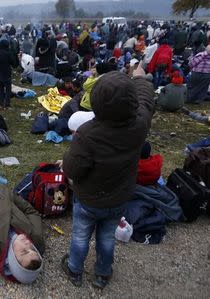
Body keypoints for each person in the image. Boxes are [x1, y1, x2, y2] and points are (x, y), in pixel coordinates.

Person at [61, 66, 155, 289]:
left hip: (88, 200)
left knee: (81, 235)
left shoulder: (88, 134)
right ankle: (102, 274)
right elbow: (146, 100)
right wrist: (139, 78)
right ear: (131, 103)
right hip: (118, 198)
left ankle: (74, 269)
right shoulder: (140, 125)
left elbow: (72, 170)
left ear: (95, 101)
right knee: (106, 237)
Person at [0, 39, 17, 110]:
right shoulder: (8, 53)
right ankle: (7, 104)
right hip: (7, 74)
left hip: (0, 74)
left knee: (1, 89)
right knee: (8, 90)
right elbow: (13, 63)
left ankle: (1, 104)